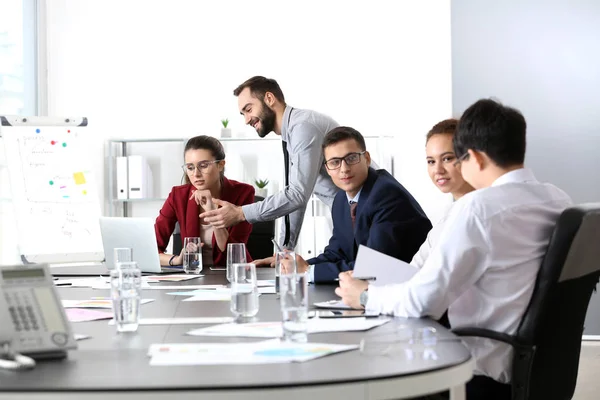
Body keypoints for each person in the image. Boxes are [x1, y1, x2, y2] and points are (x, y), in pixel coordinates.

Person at [336, 99, 572, 400]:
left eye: (455, 157)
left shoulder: (478, 208)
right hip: (539, 363)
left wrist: (365, 296)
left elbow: (424, 303)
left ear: (473, 156)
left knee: (372, 372)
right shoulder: (558, 199)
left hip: (479, 368)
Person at [199, 76, 340, 254]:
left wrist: (241, 213)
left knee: (372, 278)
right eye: (243, 114)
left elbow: (297, 195)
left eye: (248, 109)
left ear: (269, 99)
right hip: (352, 215)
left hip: (370, 212)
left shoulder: (303, 127)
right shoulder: (292, 133)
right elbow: (296, 198)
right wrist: (284, 251)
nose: (246, 120)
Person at [284, 126, 432, 282]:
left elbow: (373, 267)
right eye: (335, 162)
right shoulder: (341, 200)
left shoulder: (386, 195)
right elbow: (337, 253)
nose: (344, 169)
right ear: (327, 168)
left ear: (367, 158)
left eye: (351, 158)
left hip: (412, 290)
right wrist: (297, 264)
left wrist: (308, 271)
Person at [154, 135, 254, 267]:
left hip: (231, 274)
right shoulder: (178, 196)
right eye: (190, 167)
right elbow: (152, 249)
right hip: (192, 276)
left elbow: (235, 254)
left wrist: (212, 210)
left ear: (220, 165)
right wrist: (176, 260)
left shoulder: (243, 193)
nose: (196, 174)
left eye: (203, 166)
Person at [410, 118, 474, 269]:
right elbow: (414, 268)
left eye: (447, 158)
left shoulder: (478, 214)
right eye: (431, 161)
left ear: (469, 157)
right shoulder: (447, 217)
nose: (438, 170)